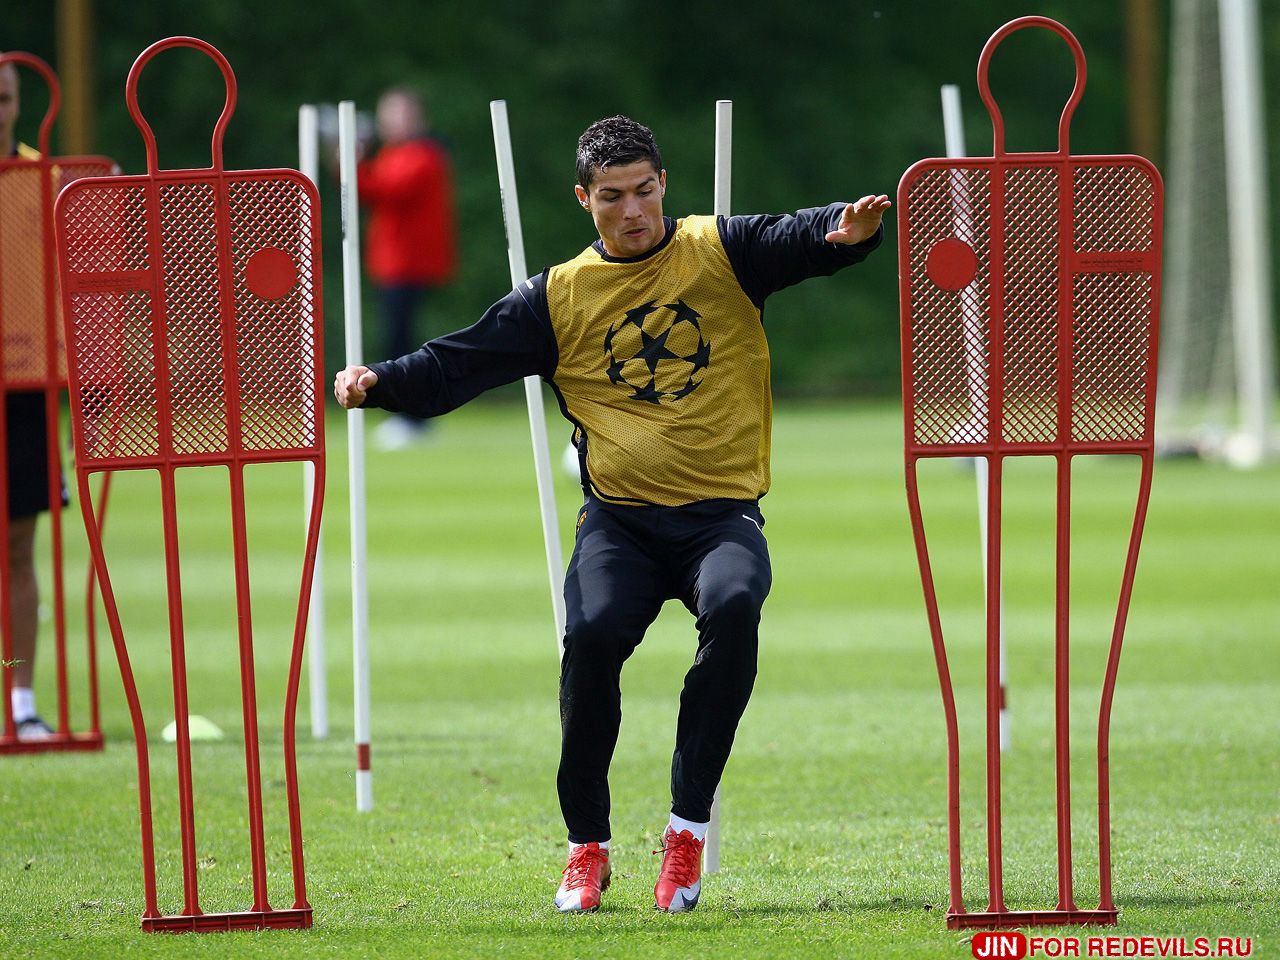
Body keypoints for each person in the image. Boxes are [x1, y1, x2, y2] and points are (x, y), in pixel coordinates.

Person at [335, 115, 888, 913]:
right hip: (619, 524)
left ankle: (686, 830)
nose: (633, 211)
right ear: (583, 200)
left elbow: (799, 235)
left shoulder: (720, 250)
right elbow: (457, 363)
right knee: (590, 638)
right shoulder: (557, 296)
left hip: (720, 518)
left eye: (644, 191)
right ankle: (586, 848)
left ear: (663, 184)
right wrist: (380, 381)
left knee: (734, 605)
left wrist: (847, 231)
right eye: (612, 197)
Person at [0, 58, 59, 741]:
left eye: (5, 97)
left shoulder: (44, 178)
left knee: (19, 544)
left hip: (24, 379)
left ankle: (20, 697)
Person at [356, 86, 457, 450]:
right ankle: (409, 414)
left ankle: (412, 416)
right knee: (397, 339)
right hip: (393, 262)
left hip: (409, 262)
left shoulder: (423, 154)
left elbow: (384, 189)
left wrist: (353, 161)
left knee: (401, 342)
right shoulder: (395, 153)